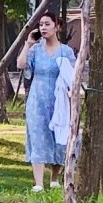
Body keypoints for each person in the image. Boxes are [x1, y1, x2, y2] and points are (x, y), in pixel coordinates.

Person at [17, 11, 78, 193]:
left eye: (47, 24)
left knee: (59, 136)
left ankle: (54, 178)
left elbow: (72, 76)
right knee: (37, 136)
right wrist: (28, 43)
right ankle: (38, 183)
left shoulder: (66, 51)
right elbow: (21, 65)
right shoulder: (35, 50)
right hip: (37, 99)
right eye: (41, 24)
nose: (43, 28)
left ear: (56, 27)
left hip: (59, 100)